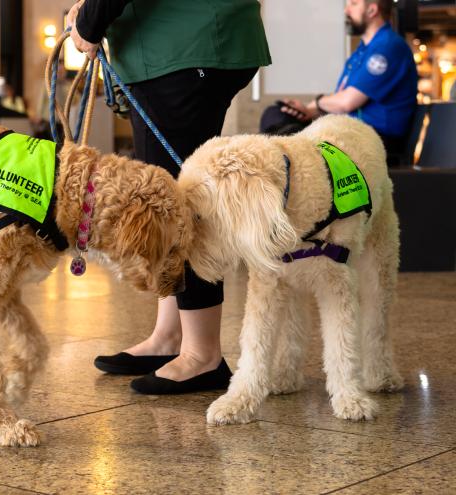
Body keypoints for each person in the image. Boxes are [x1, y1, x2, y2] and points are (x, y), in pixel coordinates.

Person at [68, 0, 271, 394]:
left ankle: (203, 354)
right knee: (170, 199)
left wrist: (91, 22)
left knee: (178, 207)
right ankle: (170, 335)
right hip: (182, 46)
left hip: (181, 49)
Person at [277, 0, 418, 165]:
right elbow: (341, 98)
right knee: (278, 116)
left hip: (377, 140)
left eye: (354, 4)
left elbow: (347, 102)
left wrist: (315, 104)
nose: (346, 10)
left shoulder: (387, 48)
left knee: (285, 140)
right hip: (353, 132)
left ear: (372, 10)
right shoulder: (364, 50)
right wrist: (308, 111)